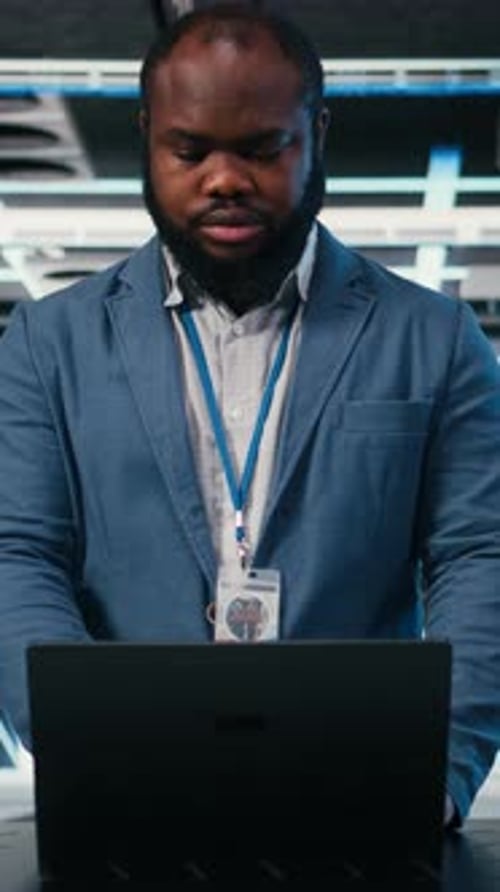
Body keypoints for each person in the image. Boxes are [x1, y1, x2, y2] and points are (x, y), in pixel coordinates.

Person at [0, 4, 498, 828]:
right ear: (147, 138)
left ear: (318, 134)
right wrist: (87, 751)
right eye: (189, 150)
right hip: (126, 799)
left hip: (364, 795)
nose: (224, 179)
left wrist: (442, 767)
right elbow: (16, 556)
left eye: (263, 148)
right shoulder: (47, 346)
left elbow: (481, 555)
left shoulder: (435, 339)